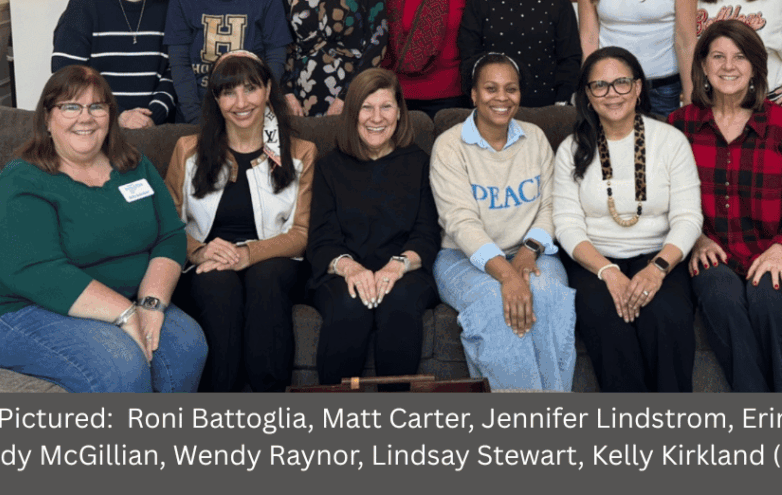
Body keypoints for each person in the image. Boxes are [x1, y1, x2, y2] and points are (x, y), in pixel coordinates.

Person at [0, 66, 207, 393]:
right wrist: (125, 313)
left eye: (97, 106)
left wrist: (151, 305)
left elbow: (170, 236)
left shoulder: (133, 165)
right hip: (24, 310)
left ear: (110, 115)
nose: (86, 117)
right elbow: (35, 270)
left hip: (125, 299)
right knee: (121, 365)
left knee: (187, 347)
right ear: (47, 118)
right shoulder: (23, 179)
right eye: (71, 106)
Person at [668, 20, 782, 392]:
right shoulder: (679, 126)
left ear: (756, 67)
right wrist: (695, 239)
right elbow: (666, 203)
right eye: (718, 56)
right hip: (713, 254)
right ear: (703, 65)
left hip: (776, 252)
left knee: (772, 297)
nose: (728, 66)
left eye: (740, 57)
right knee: (720, 296)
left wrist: (781, 250)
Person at [553, 47, 702, 392]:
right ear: (588, 96)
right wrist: (608, 271)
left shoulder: (670, 141)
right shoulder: (571, 149)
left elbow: (688, 217)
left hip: (660, 256)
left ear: (637, 88)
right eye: (600, 86)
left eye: (621, 82)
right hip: (593, 261)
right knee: (608, 322)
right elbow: (566, 224)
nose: (612, 94)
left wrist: (658, 268)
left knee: (666, 318)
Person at [165, 51, 315, 392]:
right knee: (218, 283)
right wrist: (200, 251)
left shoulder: (301, 152)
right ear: (216, 99)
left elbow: (301, 233)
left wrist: (248, 253)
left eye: (250, 88)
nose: (241, 102)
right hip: (207, 261)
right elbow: (167, 226)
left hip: (275, 258)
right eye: (229, 92)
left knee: (266, 277)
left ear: (268, 90)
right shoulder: (187, 149)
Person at [430, 54, 576, 391]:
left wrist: (529, 250)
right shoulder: (449, 145)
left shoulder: (535, 138)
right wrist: (507, 275)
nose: (502, 97)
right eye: (491, 88)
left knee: (548, 295)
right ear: (473, 94)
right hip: (461, 257)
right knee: (495, 303)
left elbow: (552, 204)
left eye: (511, 89)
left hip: (530, 251)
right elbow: (460, 221)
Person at [307, 68, 440, 385]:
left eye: (386, 107)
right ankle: (336, 411)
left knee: (399, 304)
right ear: (352, 113)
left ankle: (395, 411)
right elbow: (322, 238)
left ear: (399, 112)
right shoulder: (328, 167)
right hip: (341, 271)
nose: (376, 118)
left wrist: (397, 266)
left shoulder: (420, 163)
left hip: (405, 270)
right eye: (366, 107)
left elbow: (427, 233)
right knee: (349, 305)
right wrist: (351, 268)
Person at [52, 0, 176, 128]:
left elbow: (175, 72)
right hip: (96, 126)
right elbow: (66, 75)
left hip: (153, 126)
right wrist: (116, 116)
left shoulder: (169, 6)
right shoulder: (84, 3)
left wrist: (152, 116)